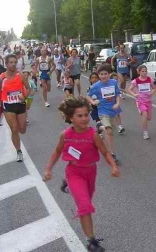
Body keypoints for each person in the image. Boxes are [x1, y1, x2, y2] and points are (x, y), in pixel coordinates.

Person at [43, 96, 120, 252]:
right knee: (85, 206)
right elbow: (57, 151)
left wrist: (113, 166)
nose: (84, 118)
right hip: (74, 172)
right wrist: (48, 169)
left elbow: (105, 152)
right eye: (80, 116)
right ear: (71, 118)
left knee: (86, 201)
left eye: (86, 115)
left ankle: (70, 187)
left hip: (90, 172)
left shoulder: (93, 134)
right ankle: (91, 241)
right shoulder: (66, 135)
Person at [0, 54, 31, 162]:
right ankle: (18, 151)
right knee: (14, 129)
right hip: (8, 105)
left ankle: (18, 135)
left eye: (15, 62)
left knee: (22, 130)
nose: (14, 64)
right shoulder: (1, 78)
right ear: (6, 64)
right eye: (11, 62)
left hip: (20, 104)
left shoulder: (21, 76)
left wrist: (24, 96)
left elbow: (28, 88)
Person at [87, 64, 122, 163]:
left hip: (112, 111)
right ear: (99, 75)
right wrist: (93, 102)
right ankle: (111, 153)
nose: (103, 76)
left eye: (105, 74)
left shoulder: (113, 82)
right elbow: (88, 96)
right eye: (101, 74)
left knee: (110, 130)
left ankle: (100, 127)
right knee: (109, 131)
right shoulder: (95, 86)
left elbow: (118, 94)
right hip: (102, 111)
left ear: (109, 74)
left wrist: (118, 103)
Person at [128, 65, 156, 139]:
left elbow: (154, 88)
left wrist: (151, 92)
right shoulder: (136, 81)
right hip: (140, 101)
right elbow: (129, 90)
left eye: (145, 71)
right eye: (142, 71)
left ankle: (144, 115)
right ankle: (145, 132)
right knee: (144, 114)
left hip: (148, 101)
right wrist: (134, 95)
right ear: (139, 72)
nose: (144, 73)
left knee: (149, 118)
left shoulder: (149, 79)